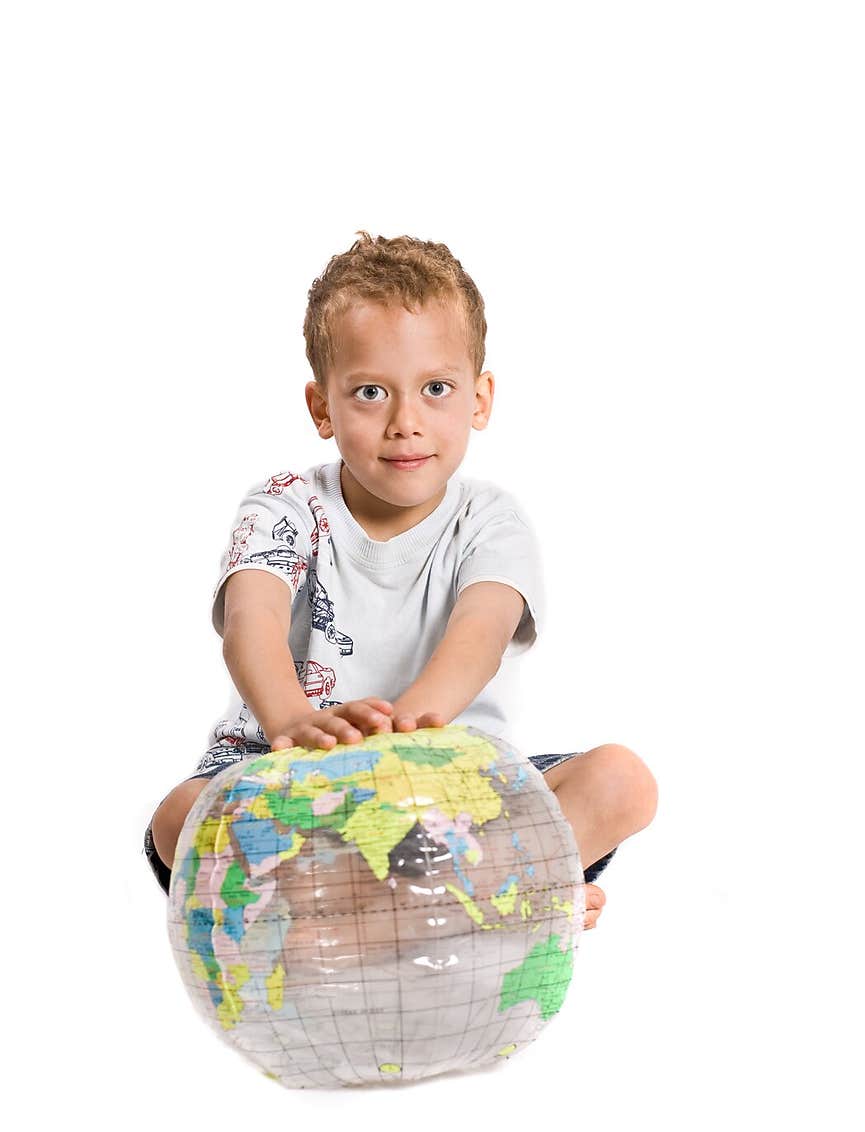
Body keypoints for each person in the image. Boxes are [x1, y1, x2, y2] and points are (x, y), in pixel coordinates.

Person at [144, 231, 658, 928]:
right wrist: (293, 723)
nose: (405, 423)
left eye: (436, 389)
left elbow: (480, 633)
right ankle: (458, 903)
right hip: (290, 781)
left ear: (479, 399)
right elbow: (251, 621)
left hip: (447, 792)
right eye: (370, 393)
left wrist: (405, 740)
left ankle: (392, 907)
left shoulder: (490, 520)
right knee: (178, 820)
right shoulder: (285, 504)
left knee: (622, 780)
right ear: (322, 407)